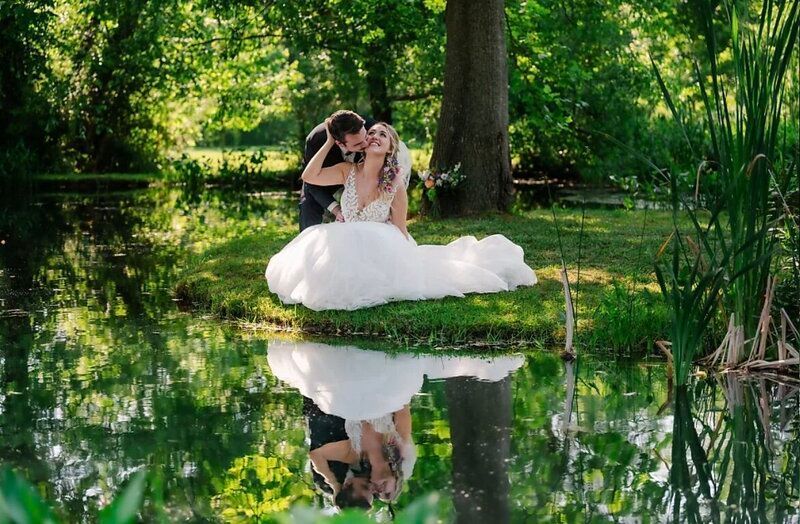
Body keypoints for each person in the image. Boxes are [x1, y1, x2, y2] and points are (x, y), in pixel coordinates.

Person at [265, 117, 537, 311]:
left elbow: (400, 228)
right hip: (343, 238)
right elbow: (309, 176)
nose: (374, 137)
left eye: (382, 135)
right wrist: (328, 142)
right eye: (372, 134)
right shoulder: (347, 171)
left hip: (377, 244)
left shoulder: (394, 184)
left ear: (390, 148)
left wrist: (405, 258)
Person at [299, 110, 376, 231]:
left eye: (365, 137)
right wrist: (337, 210)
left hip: (362, 178)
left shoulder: (372, 128)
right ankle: (309, 243)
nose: (366, 144)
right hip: (326, 176)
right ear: (339, 143)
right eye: (358, 144)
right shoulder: (316, 140)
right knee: (308, 204)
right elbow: (311, 182)